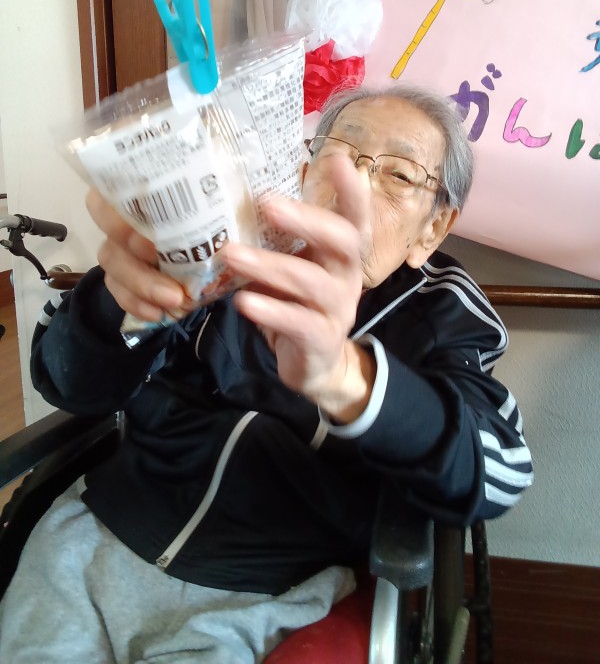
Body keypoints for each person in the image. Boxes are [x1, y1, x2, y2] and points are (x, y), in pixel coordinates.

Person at [0, 84, 533, 663]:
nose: (353, 185)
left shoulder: (446, 312)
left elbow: (502, 469)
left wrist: (344, 378)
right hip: (93, 541)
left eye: (398, 175)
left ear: (432, 228)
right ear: (304, 172)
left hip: (262, 597)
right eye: (340, 155)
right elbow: (64, 380)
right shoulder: (222, 245)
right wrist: (121, 303)